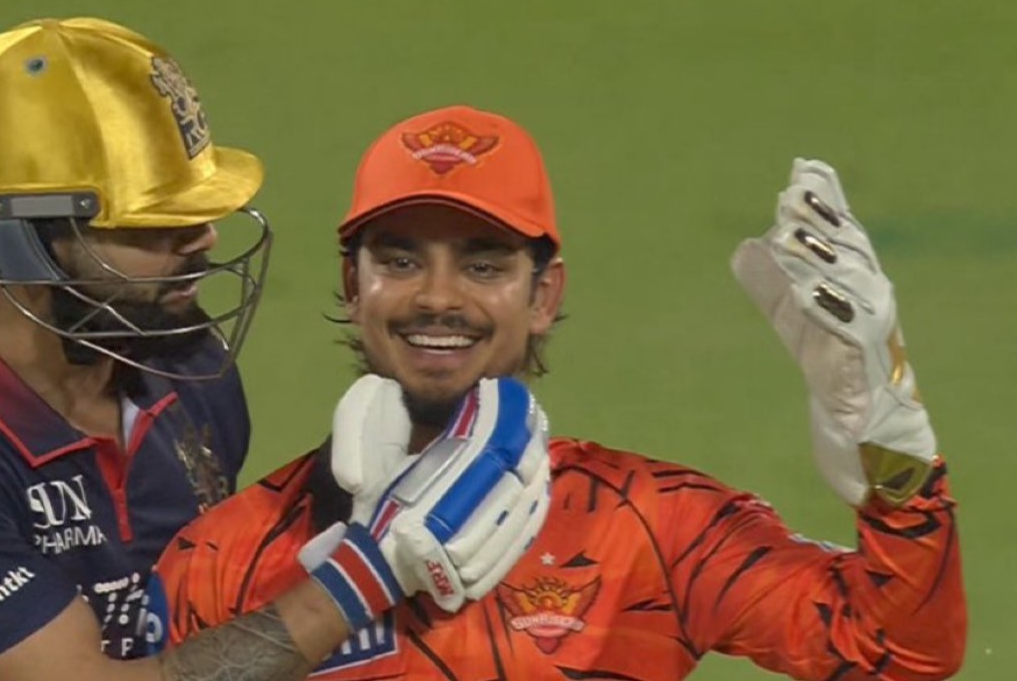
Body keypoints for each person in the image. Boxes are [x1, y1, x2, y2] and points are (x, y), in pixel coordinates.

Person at [0, 19, 550, 681]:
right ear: (20, 240)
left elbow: (204, 602)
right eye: (152, 225)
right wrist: (369, 570)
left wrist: (348, 494)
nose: (204, 238)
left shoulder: (181, 363)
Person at [153, 104, 968, 679]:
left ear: (543, 296)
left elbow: (895, 652)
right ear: (352, 286)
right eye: (399, 261)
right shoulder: (229, 552)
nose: (437, 297)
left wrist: (891, 444)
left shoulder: (651, 526)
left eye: (484, 264)